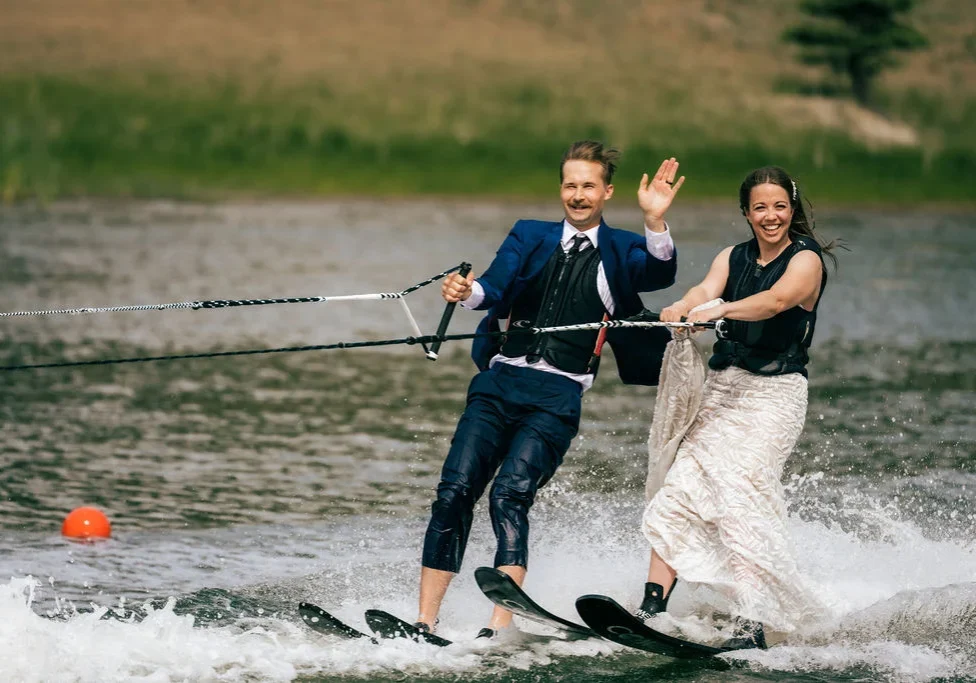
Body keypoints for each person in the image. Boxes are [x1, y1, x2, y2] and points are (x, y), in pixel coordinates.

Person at [417, 140, 684, 638]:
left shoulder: (626, 247)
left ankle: (495, 628)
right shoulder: (529, 234)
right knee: (453, 493)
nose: (577, 195)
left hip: (556, 398)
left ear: (607, 191)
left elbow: (661, 273)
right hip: (498, 384)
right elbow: (491, 288)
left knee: (508, 497)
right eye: (569, 185)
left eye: (588, 186)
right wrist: (464, 291)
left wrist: (654, 221)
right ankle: (424, 621)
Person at [635, 165, 840, 647]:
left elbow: (775, 301)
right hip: (724, 389)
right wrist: (684, 308)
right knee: (680, 487)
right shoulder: (733, 256)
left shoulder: (806, 261)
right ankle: (649, 608)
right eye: (760, 208)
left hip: (774, 394)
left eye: (780, 207)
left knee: (741, 495)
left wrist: (722, 309)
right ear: (746, 213)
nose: (771, 216)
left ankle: (755, 621)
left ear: (792, 210)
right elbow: (704, 291)